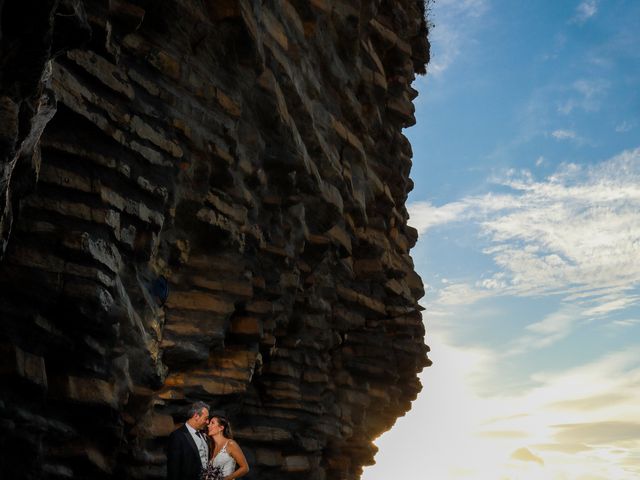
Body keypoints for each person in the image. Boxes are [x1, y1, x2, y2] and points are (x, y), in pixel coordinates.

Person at [167, 402, 210, 480]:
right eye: (206, 418)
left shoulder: (203, 434)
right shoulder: (177, 436)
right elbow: (173, 468)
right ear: (196, 416)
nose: (207, 422)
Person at [201, 415, 249, 480]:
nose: (208, 426)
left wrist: (225, 479)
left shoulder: (230, 444)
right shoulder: (212, 446)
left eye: (212, 423)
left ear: (221, 428)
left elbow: (245, 468)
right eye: (209, 423)